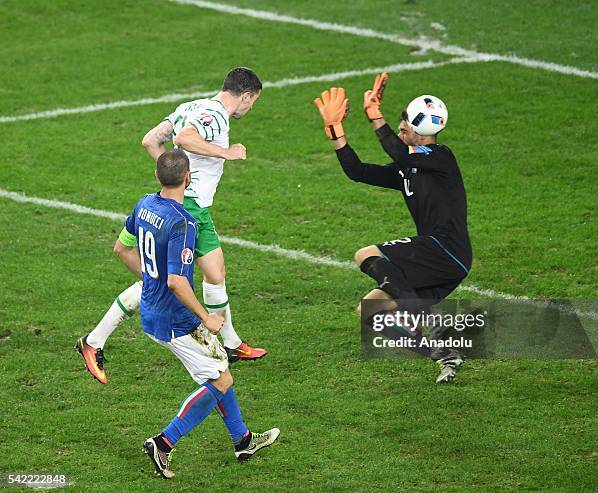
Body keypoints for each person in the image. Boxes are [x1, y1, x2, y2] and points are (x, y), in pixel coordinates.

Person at [76, 68, 267, 384]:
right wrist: (226, 153)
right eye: (253, 102)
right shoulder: (216, 116)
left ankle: (232, 345)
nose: (250, 108)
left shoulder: (192, 106)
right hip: (187, 210)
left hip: (191, 207)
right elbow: (183, 138)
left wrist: (172, 176)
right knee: (160, 282)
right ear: (245, 96)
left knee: (215, 273)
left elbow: (152, 140)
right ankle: (93, 341)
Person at [118, 149, 279, 478]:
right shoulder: (182, 223)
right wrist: (206, 317)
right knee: (221, 380)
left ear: (158, 176)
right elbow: (178, 282)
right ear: (188, 178)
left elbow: (121, 248)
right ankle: (164, 442)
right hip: (176, 319)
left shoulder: (144, 204)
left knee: (217, 369)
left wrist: (149, 282)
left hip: (151, 310)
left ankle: (243, 439)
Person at [313, 73, 472, 383]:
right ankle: (443, 353)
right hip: (443, 260)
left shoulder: (442, 158)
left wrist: (374, 114)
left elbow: (398, 152)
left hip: (447, 248)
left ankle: (426, 316)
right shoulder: (405, 170)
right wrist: (335, 131)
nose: (399, 136)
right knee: (369, 311)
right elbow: (357, 172)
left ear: (420, 132)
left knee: (365, 254)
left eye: (403, 130)